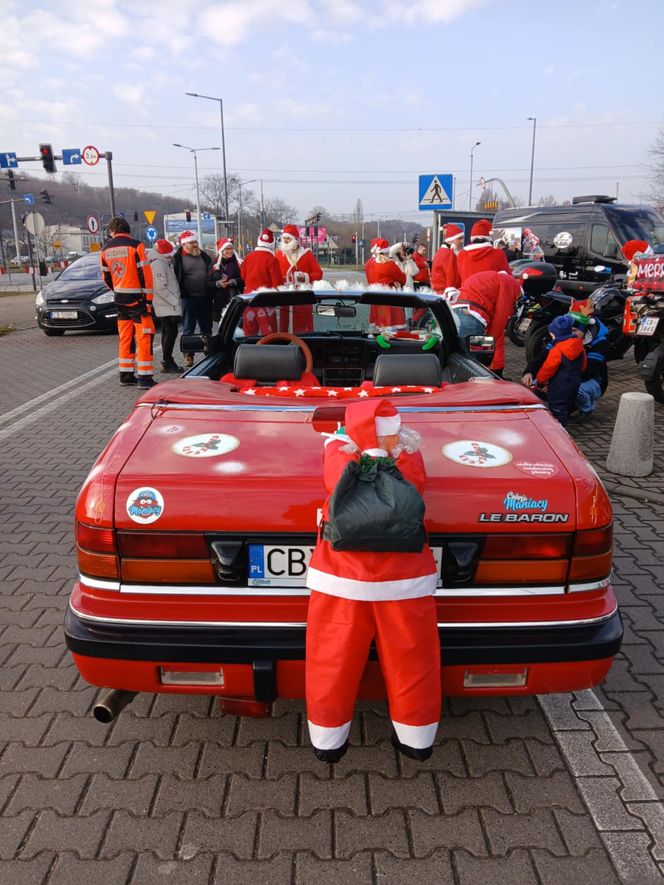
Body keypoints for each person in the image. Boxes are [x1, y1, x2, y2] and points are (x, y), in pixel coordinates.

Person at [305, 398, 441, 763]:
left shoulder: (338, 456)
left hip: (340, 581)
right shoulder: (409, 459)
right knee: (413, 662)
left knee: (331, 662)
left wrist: (342, 439)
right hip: (407, 583)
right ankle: (416, 739)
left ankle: (328, 742)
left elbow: (334, 463)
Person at [100, 216, 155, 388]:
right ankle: (144, 378)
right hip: (138, 301)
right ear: (127, 230)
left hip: (120, 300)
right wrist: (148, 301)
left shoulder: (105, 250)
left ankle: (125, 375)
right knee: (144, 337)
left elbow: (106, 277)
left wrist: (118, 290)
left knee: (125, 338)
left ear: (112, 231)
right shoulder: (136, 246)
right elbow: (145, 276)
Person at [454, 270, 522, 376]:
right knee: (474, 363)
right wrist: (491, 340)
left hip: (456, 308)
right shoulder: (511, 284)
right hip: (472, 314)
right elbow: (501, 314)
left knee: (460, 355)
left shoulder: (492, 278)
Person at [533, 315, 586, 427]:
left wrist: (540, 380)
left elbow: (548, 368)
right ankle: (564, 420)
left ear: (555, 334)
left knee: (557, 408)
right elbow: (583, 365)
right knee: (567, 404)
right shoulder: (579, 346)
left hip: (559, 385)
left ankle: (560, 429)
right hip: (574, 383)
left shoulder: (557, 350)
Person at [173, 231, 214, 368]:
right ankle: (188, 356)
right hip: (188, 298)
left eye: (195, 242)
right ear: (184, 244)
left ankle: (208, 352)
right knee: (188, 328)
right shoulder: (178, 258)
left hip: (205, 298)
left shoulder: (204, 256)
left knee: (206, 327)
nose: (195, 244)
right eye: (192, 242)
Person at [276, 224, 323, 333]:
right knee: (284, 324)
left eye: (288, 238)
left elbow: (318, 274)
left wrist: (306, 277)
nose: (286, 241)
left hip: (303, 297)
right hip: (285, 296)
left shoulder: (307, 255)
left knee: (303, 327)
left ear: (296, 240)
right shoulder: (278, 255)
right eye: (284, 238)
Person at [147, 239, 182, 373]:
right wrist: (175, 301)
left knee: (168, 332)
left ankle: (167, 360)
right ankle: (167, 361)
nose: (171, 257)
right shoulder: (158, 265)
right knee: (170, 333)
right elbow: (160, 288)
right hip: (167, 305)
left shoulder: (161, 263)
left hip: (166, 305)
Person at [569, 306, 609, 422]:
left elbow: (590, 371)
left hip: (594, 379)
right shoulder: (567, 338)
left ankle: (587, 409)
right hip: (574, 375)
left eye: (575, 330)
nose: (571, 333)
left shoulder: (599, 343)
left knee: (574, 389)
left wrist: (565, 381)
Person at [240, 229, 283, 336]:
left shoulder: (248, 257)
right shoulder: (272, 259)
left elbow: (243, 276)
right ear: (272, 245)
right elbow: (277, 283)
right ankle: (270, 350)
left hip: (249, 299)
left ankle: (249, 350)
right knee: (268, 331)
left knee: (249, 330)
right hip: (265, 300)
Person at [365, 238, 407, 326]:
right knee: (391, 330)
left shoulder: (369, 264)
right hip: (389, 300)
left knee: (377, 328)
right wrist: (394, 282)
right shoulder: (390, 265)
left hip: (375, 300)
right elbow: (403, 279)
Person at [210, 237, 243, 327]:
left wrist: (235, 281)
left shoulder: (238, 262)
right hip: (220, 300)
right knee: (221, 328)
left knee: (236, 326)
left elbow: (244, 278)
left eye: (231, 248)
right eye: (227, 249)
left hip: (235, 298)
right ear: (221, 250)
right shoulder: (214, 263)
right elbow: (208, 282)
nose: (230, 251)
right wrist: (217, 284)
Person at [430, 224, 462, 293]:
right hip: (446, 294)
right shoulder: (448, 254)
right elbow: (451, 279)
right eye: (459, 238)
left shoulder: (441, 252)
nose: (461, 241)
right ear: (452, 240)